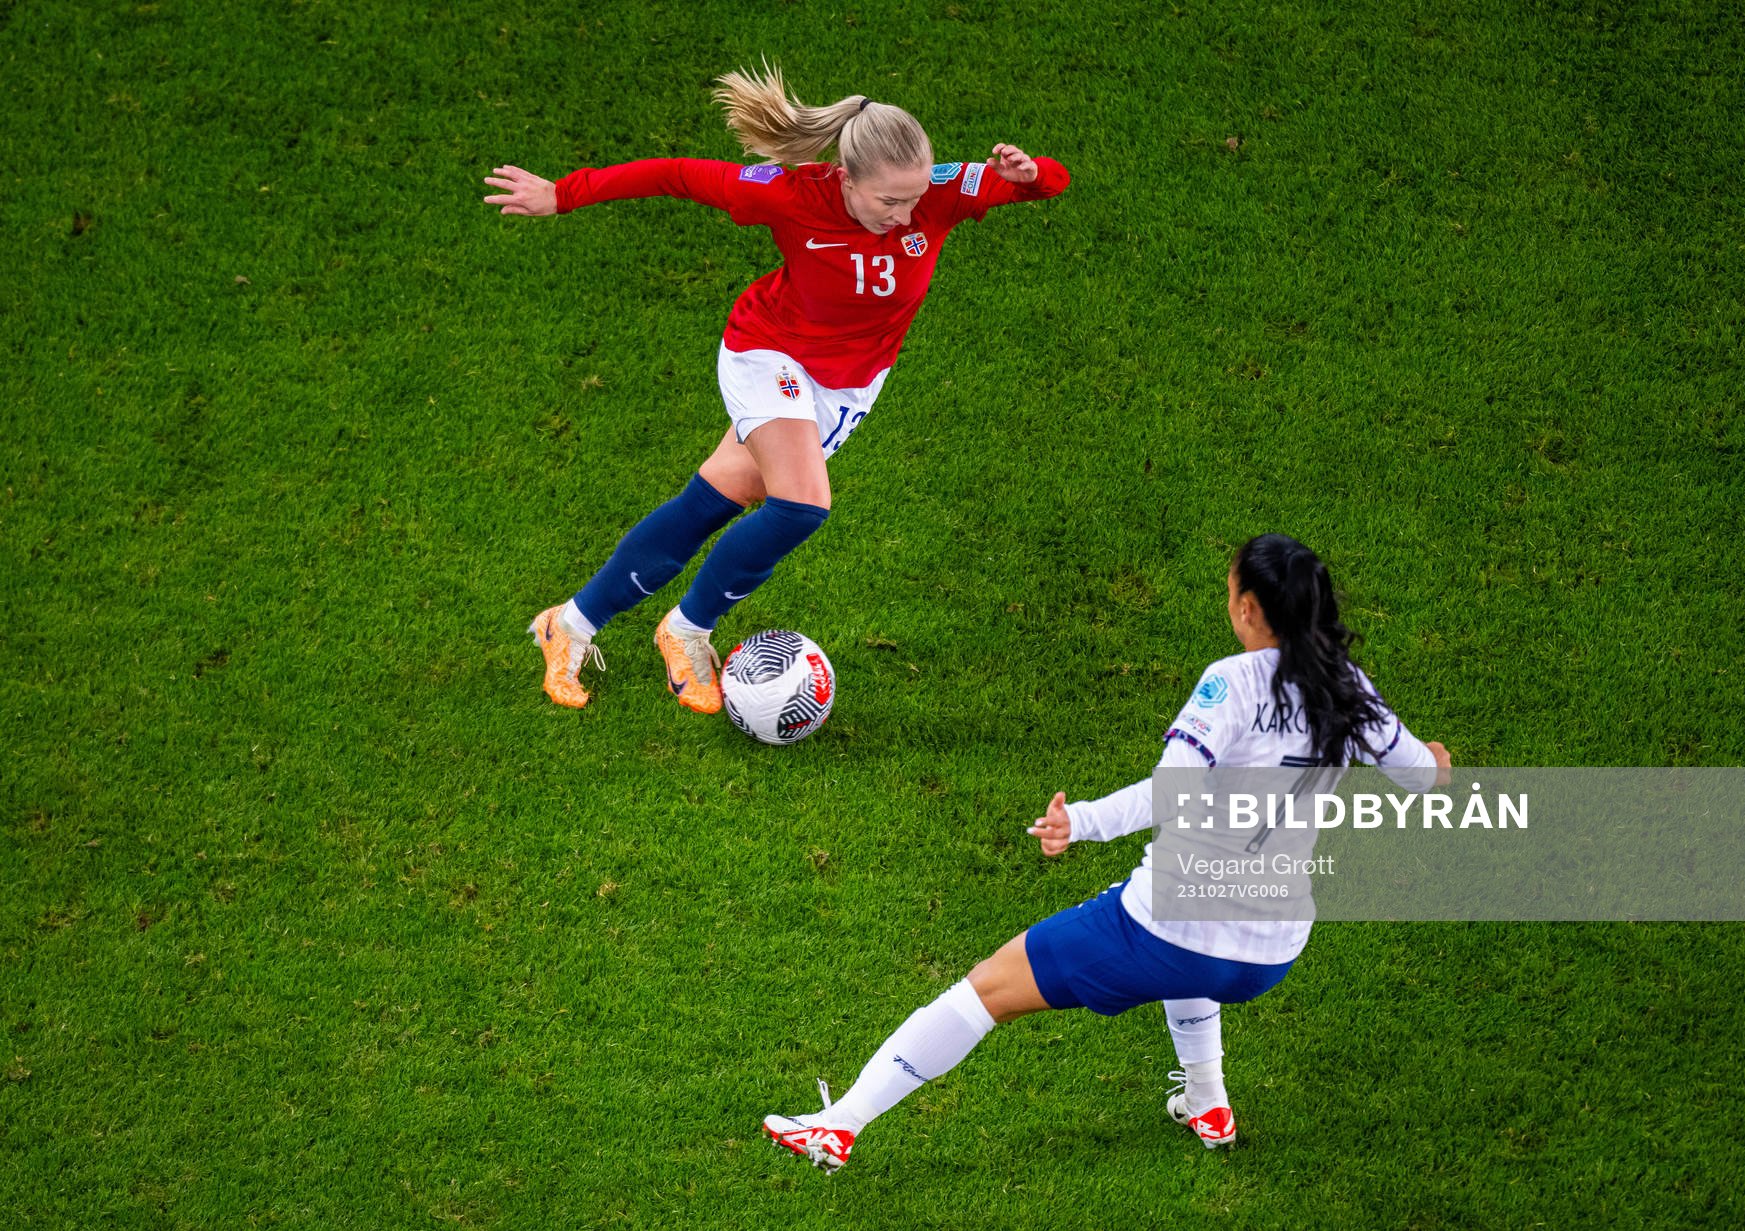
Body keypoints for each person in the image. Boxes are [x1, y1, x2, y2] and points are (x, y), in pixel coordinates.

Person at [762, 534, 1452, 1171]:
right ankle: (1209, 1104)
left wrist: (1082, 822)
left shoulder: (1232, 682)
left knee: (988, 988)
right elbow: (1425, 775)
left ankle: (840, 1123)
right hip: (1273, 952)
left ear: (1248, 608)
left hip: (1169, 930)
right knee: (1190, 950)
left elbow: (1174, 790)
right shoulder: (1346, 685)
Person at [484, 63, 1071, 711]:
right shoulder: (791, 195)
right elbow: (674, 174)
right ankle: (686, 631)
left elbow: (1048, 182)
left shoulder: (933, 192)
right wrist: (563, 194)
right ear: (846, 179)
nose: (907, 218)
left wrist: (1030, 172)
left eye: (914, 201)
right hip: (769, 354)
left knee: (712, 502)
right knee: (801, 507)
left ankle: (567, 626)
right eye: (889, 203)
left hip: (847, 388)